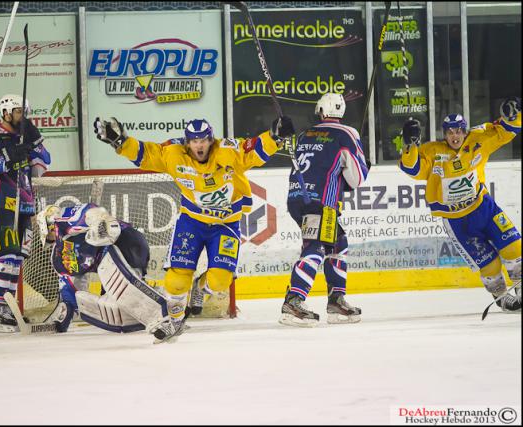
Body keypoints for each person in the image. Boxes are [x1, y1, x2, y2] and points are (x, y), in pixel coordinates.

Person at [94, 115, 294, 341]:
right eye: (195, 141)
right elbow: (145, 154)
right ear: (187, 143)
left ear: (211, 140)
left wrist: (275, 136)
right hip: (192, 222)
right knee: (177, 281)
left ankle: (200, 287)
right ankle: (175, 321)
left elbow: (253, 151)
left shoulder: (228, 150)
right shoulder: (173, 154)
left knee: (220, 281)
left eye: (204, 140)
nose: (200, 145)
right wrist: (120, 142)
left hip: (225, 224)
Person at [400, 97, 521, 312]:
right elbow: (412, 169)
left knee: (514, 248)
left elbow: (505, 131)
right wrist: (409, 144)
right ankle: (501, 296)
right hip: (457, 222)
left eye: (458, 131)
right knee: (490, 265)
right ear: (444, 134)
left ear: (464, 131)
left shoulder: (478, 139)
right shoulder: (432, 151)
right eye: (450, 132)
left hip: (484, 208)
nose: (454, 136)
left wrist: (513, 114)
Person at [280, 93, 370, 327]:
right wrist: (363, 167)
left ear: (320, 111)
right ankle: (294, 301)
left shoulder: (305, 133)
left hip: (298, 197)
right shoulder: (348, 133)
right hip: (323, 202)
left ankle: (336, 300)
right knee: (317, 247)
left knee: (339, 244)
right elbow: (357, 179)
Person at [36, 202, 181, 341]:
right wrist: (61, 322)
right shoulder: (58, 257)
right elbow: (70, 293)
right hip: (113, 258)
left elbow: (92, 211)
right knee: (117, 305)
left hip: (125, 242)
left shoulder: (62, 221)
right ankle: (171, 303)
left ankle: (164, 316)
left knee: (122, 288)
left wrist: (99, 225)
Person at [0, 94, 51, 333]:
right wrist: (5, 159)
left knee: (16, 260)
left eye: (25, 112)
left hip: (24, 205)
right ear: (6, 113)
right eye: (18, 112)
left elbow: (42, 166)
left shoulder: (25, 136)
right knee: (4, 257)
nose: (22, 116)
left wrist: (34, 141)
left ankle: (7, 307)